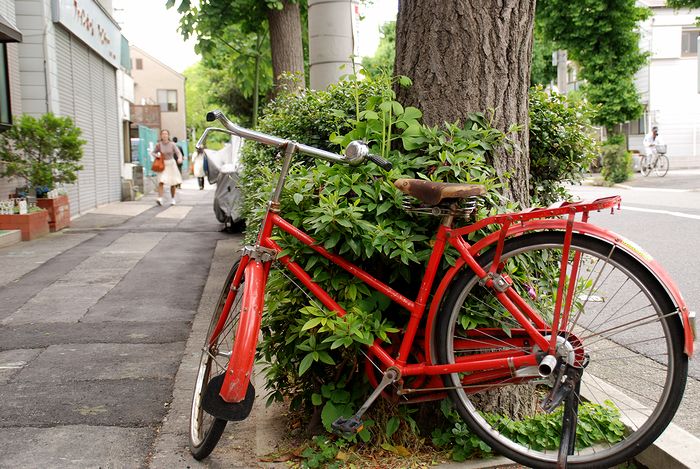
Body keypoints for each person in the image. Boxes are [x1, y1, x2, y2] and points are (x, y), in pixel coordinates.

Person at [152, 129, 183, 205]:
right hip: (163, 164)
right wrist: (157, 155)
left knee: (172, 183)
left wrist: (180, 158)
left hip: (171, 164)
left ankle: (173, 199)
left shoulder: (172, 144)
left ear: (168, 136)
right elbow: (153, 152)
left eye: (166, 134)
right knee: (161, 181)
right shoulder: (159, 145)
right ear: (161, 136)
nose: (164, 135)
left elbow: (178, 153)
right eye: (163, 134)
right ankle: (160, 198)